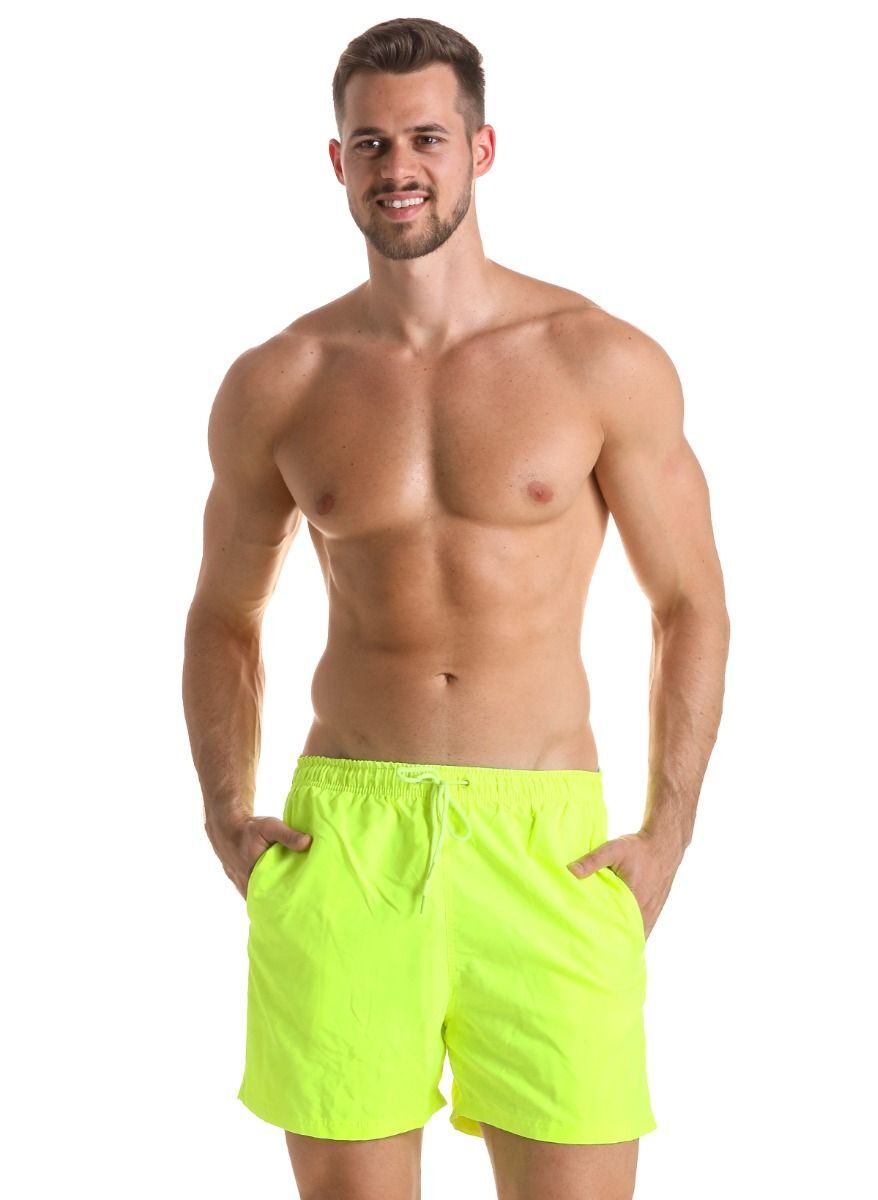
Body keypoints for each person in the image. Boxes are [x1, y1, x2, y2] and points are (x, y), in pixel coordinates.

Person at [182, 16, 730, 1200]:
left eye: (426, 138)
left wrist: (669, 829)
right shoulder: (279, 380)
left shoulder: (598, 360)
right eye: (371, 144)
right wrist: (224, 810)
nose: (398, 168)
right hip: (347, 841)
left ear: (480, 148)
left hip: (546, 848)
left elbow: (689, 602)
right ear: (337, 161)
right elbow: (223, 613)